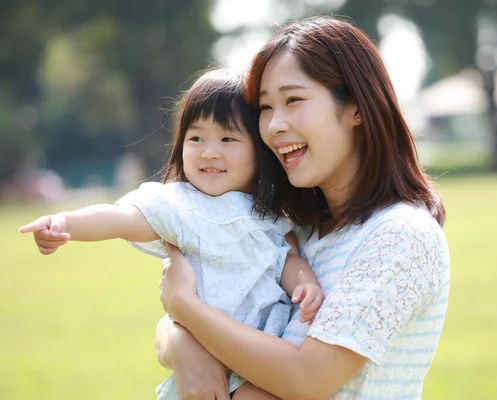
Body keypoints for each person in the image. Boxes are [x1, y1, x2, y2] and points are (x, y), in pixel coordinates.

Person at [156, 17, 451, 400]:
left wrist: (184, 306)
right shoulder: (295, 233)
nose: (274, 125)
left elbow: (306, 379)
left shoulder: (400, 236)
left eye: (293, 100)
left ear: (356, 107)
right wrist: (179, 343)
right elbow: (217, 317)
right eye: (265, 107)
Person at [19, 70, 325, 399]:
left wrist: (304, 284)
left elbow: (288, 258)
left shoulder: (270, 213)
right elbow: (119, 218)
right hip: (201, 362)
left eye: (227, 139)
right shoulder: (179, 205)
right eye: (196, 139)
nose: (209, 152)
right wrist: (63, 223)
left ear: (259, 151)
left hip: (261, 359)